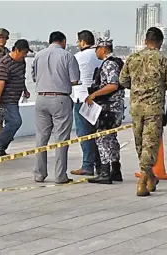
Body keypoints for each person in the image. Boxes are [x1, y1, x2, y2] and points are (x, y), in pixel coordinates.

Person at [120, 27, 167, 196]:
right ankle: (142, 182)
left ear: (145, 41)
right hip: (154, 109)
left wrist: (138, 87)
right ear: (160, 42)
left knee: (140, 144)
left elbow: (123, 81)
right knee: (150, 145)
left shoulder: (132, 59)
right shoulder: (165, 61)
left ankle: (150, 177)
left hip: (136, 108)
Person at [32, 31, 80, 184]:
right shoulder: (67, 56)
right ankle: (60, 176)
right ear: (63, 41)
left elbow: (34, 77)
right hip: (60, 98)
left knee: (41, 138)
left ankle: (39, 174)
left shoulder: (38, 55)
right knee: (61, 139)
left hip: (40, 98)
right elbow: (74, 79)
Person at [86, 38, 125, 185]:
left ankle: (104, 172)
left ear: (103, 49)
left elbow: (113, 85)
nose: (95, 51)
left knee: (102, 138)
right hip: (115, 107)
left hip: (109, 108)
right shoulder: (116, 62)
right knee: (111, 138)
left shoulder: (109, 64)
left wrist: (94, 94)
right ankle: (115, 170)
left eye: (97, 49)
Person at [0, 39, 31, 158]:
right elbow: (0, 82)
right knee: (15, 121)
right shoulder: (5, 62)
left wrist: (25, 89)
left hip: (16, 98)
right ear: (16, 50)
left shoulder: (21, 62)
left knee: (10, 122)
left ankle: (0, 149)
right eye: (23, 53)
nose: (25, 55)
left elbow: (20, 77)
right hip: (7, 99)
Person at [70, 30, 102, 176]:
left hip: (81, 98)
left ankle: (87, 165)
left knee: (84, 133)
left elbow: (71, 77)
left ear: (82, 42)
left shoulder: (78, 56)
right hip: (98, 97)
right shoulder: (99, 56)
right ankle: (100, 165)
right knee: (97, 133)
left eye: (78, 42)